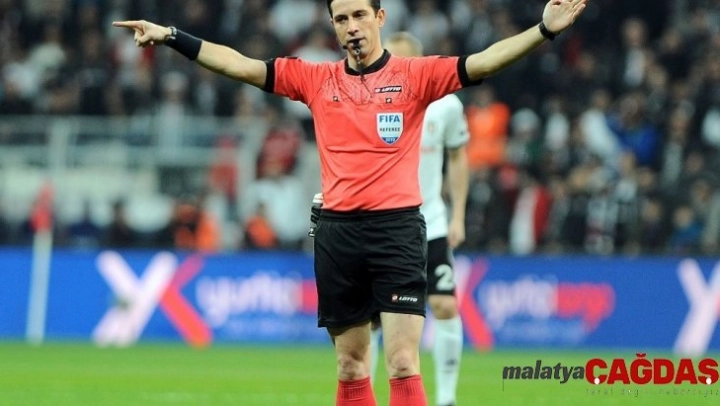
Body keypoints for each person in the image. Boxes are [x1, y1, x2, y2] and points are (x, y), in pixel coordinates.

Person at [113, 1, 588, 404]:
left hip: (397, 231)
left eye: (360, 15)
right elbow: (239, 64)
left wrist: (543, 30)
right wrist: (172, 35)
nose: (352, 26)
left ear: (380, 18)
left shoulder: (415, 75)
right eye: (341, 19)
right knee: (350, 366)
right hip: (337, 234)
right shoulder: (315, 79)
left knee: (402, 362)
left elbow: (483, 62)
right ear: (334, 27)